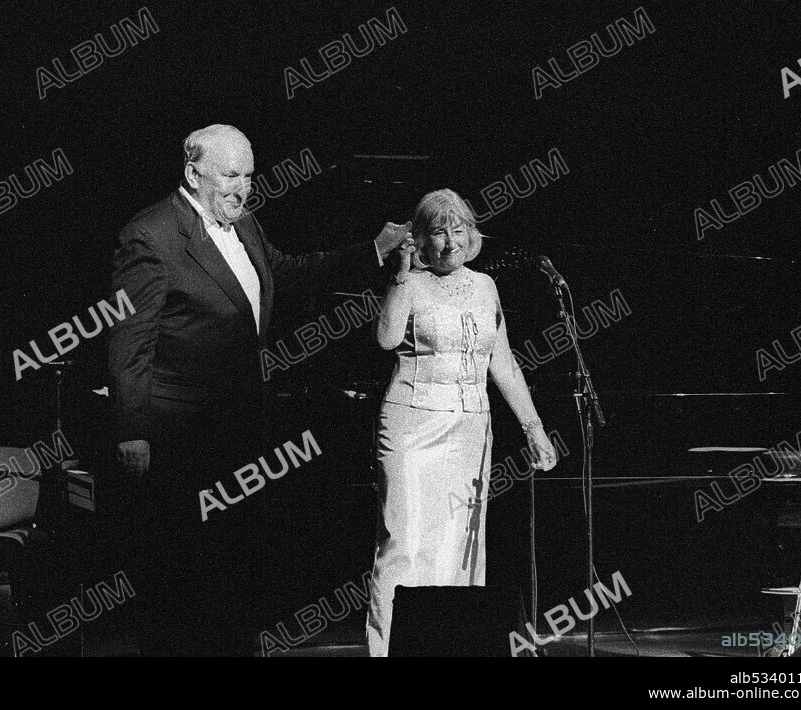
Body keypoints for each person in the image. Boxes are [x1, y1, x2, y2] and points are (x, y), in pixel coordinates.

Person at [107, 124, 412, 656]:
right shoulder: (151, 235)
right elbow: (129, 341)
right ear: (193, 173)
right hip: (178, 433)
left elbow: (288, 273)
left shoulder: (244, 222)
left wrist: (373, 251)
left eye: (248, 176)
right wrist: (132, 431)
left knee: (234, 562)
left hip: (238, 426)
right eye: (230, 175)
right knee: (182, 571)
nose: (242, 187)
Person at [366, 188, 557, 657]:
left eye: (458, 231)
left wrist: (534, 429)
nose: (450, 243)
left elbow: (504, 363)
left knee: (460, 546)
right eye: (438, 233)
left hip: (471, 428)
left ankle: (448, 649)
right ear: (420, 239)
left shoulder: (485, 285)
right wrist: (401, 276)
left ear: (471, 235)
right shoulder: (409, 281)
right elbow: (387, 338)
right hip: (412, 424)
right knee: (404, 545)